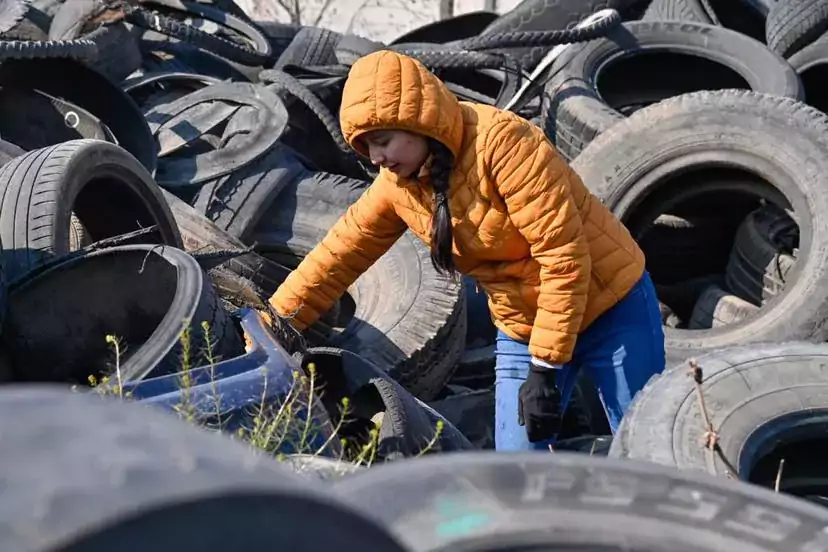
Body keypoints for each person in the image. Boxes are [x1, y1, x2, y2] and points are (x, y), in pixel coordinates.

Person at [267, 49, 666, 452]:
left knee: (645, 448)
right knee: (516, 461)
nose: (376, 158)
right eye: (366, 147)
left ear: (417, 121)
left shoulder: (504, 145)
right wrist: (271, 324)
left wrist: (545, 368)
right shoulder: (398, 185)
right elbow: (337, 256)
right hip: (522, 325)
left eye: (382, 141)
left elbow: (563, 256)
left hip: (610, 306)